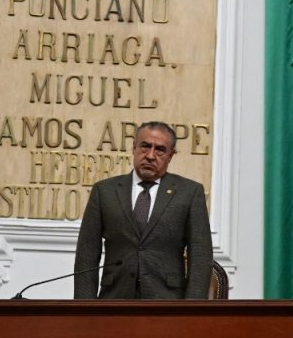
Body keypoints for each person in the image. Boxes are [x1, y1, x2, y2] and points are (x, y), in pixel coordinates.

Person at [74, 121, 212, 299]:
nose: (150, 156)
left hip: (168, 302)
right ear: (134, 147)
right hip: (114, 301)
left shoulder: (189, 193)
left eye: (160, 150)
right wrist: (83, 311)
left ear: (171, 155)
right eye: (145, 146)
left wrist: (192, 312)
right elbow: (87, 254)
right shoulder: (104, 191)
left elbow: (200, 257)